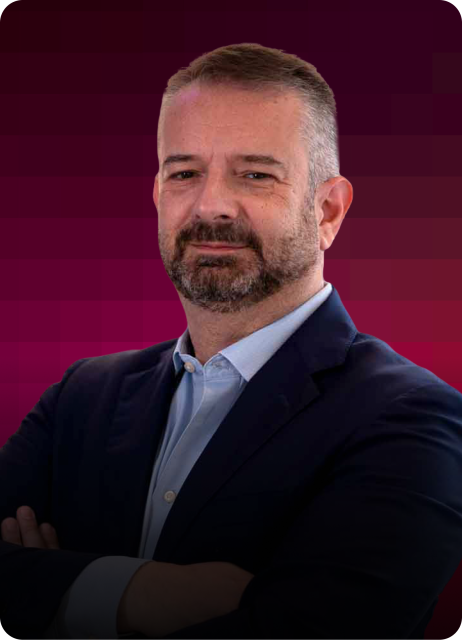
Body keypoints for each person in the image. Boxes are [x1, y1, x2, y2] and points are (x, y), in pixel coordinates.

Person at [1, 42, 462, 640]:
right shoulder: (80, 397)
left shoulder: (416, 418)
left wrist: (48, 591)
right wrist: (136, 594)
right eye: (184, 173)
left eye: (255, 174)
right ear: (158, 196)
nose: (211, 205)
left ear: (328, 211)